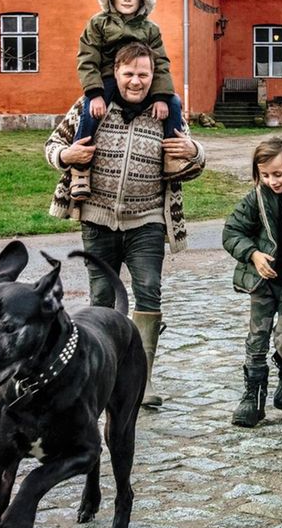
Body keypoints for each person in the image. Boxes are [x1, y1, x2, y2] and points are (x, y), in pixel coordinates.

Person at [45, 41, 206, 407]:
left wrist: (194, 152)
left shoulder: (166, 111)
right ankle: (101, 373)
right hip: (97, 218)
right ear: (115, 73)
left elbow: (193, 165)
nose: (136, 81)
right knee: (102, 297)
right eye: (129, 73)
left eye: (143, 74)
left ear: (153, 76)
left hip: (147, 219)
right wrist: (66, 155)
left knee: (149, 290)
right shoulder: (91, 106)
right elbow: (52, 145)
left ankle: (141, 380)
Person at [69, 0, 188, 202]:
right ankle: (80, 168)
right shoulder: (99, 23)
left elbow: (160, 62)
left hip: (142, 79)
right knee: (90, 110)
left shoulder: (150, 29)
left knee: (174, 103)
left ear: (142, 0)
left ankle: (172, 159)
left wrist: (161, 97)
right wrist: (94, 93)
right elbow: (87, 57)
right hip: (107, 78)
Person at [221, 136, 282, 428]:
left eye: (278, 174)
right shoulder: (258, 198)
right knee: (256, 340)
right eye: (265, 175)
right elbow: (232, 231)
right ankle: (252, 397)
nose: (272, 181)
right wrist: (253, 254)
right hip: (263, 283)